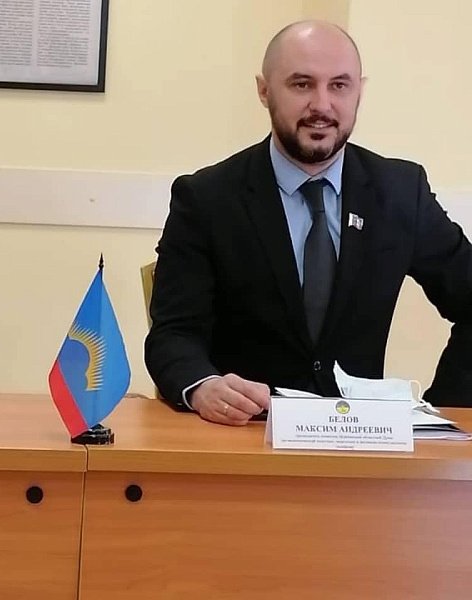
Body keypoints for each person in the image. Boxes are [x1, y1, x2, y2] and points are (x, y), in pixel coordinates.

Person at [145, 20, 472, 426]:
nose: (322, 105)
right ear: (264, 91)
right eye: (302, 84)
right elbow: (173, 334)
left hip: (360, 439)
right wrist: (203, 386)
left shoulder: (401, 193)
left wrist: (444, 408)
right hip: (244, 435)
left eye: (339, 85)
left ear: (359, 91)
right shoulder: (207, 198)